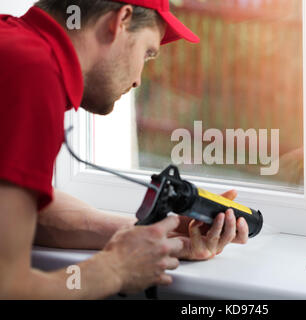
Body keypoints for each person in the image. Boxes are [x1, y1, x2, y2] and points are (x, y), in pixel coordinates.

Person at [0, 0, 249, 299]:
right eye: (147, 53)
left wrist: (155, 234)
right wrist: (115, 269)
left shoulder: (13, 47)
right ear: (120, 21)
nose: (138, 80)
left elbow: (23, 216)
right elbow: (9, 288)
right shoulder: (32, 75)